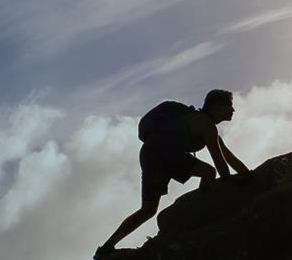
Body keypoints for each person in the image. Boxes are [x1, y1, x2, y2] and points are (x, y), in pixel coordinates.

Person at [94, 89, 251, 259]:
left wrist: (247, 173)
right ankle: (199, 211)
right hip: (165, 154)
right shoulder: (207, 125)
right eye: (229, 106)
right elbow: (219, 161)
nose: (233, 110)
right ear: (216, 106)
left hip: (150, 152)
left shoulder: (205, 125)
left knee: (148, 209)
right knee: (208, 172)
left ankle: (106, 248)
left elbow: (229, 158)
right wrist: (231, 181)